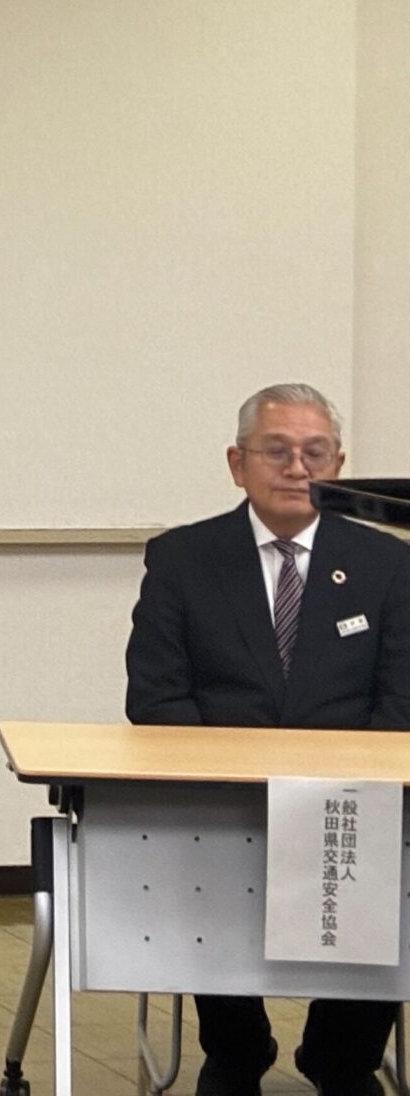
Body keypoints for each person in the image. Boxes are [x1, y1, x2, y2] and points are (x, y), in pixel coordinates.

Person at [125, 383, 410, 1096]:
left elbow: (402, 702)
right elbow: (156, 698)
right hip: (221, 801)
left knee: (387, 851)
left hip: (357, 800)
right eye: (276, 451)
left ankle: (341, 1057)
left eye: (315, 452)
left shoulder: (388, 564)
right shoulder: (182, 558)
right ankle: (236, 1052)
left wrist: (347, 780)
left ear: (338, 465)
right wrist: (229, 775)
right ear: (237, 463)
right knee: (202, 856)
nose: (297, 467)